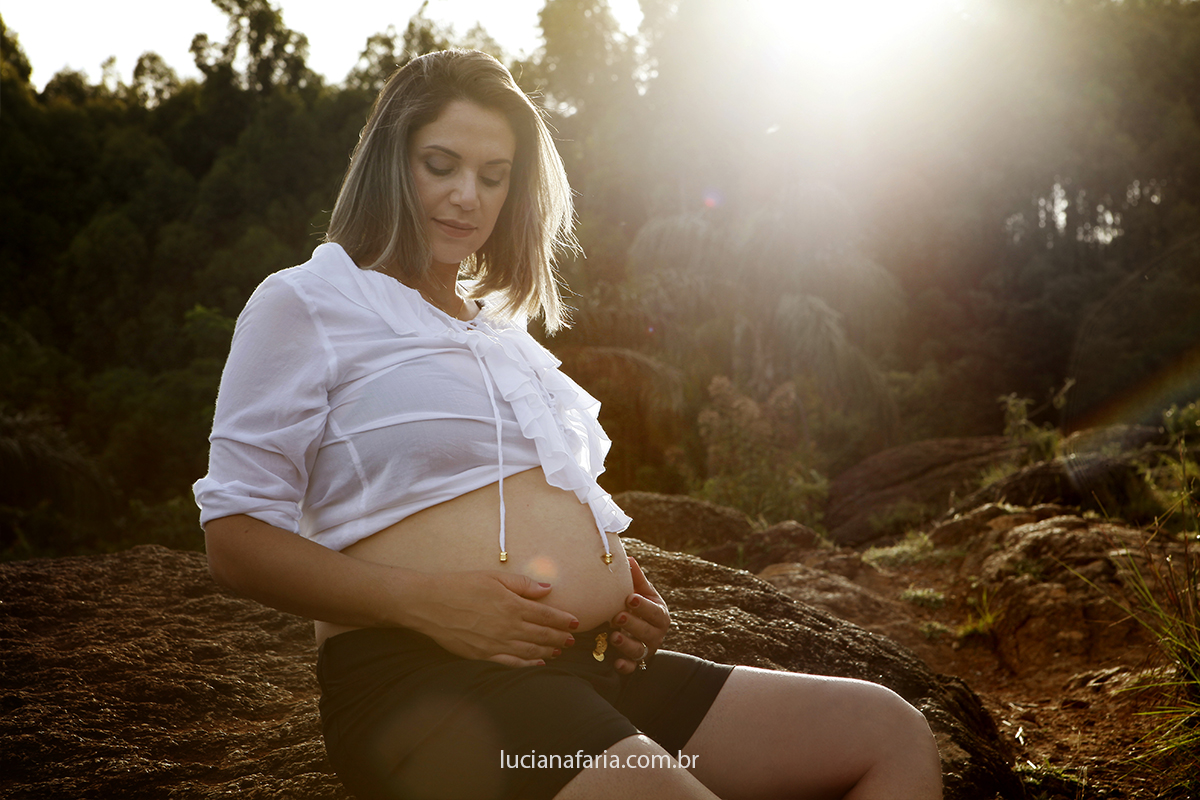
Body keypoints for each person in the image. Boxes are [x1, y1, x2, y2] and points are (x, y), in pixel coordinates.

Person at [194, 49, 942, 800]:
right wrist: (425, 603)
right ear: (389, 161)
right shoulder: (306, 302)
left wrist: (625, 591)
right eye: (440, 165)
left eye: (494, 176)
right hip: (436, 688)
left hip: (592, 668)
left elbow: (528, 492)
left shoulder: (497, 330)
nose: (467, 196)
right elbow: (234, 539)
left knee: (888, 733)